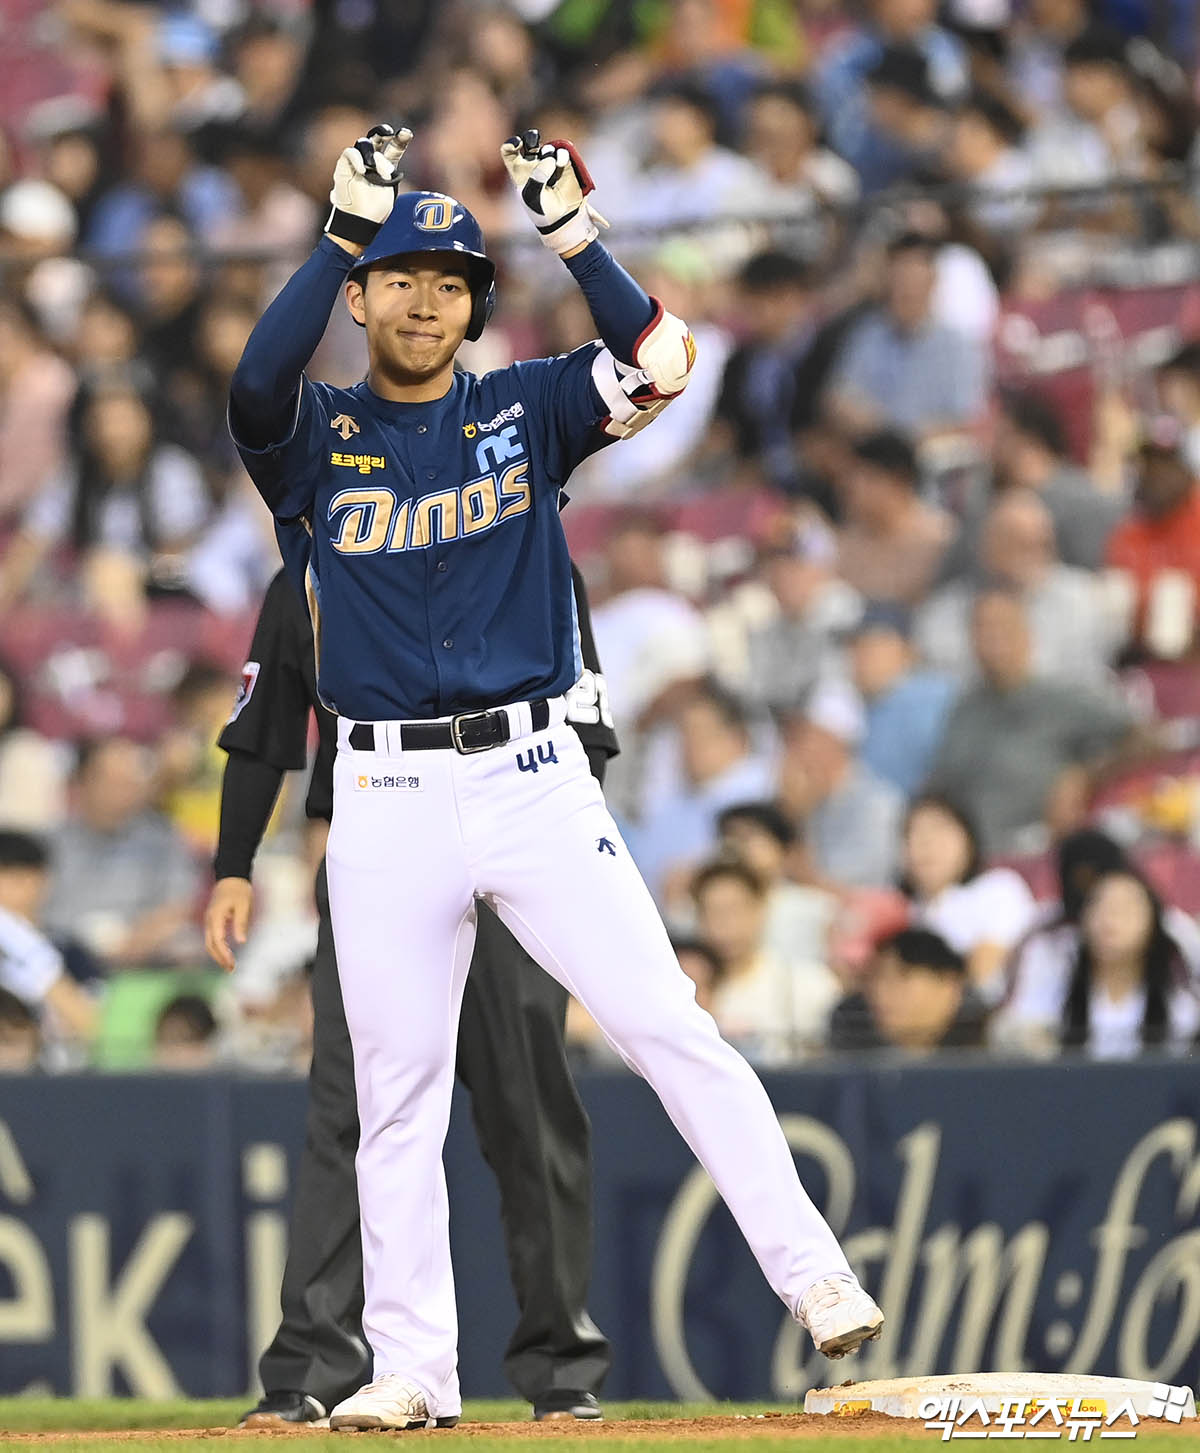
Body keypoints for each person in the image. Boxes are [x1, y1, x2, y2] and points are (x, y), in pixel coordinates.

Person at [228, 123, 882, 1431]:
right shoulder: (320, 435)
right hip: (383, 794)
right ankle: (414, 1368)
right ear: (359, 298)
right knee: (397, 1097)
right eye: (402, 276)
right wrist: (338, 235)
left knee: (664, 1022)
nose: (425, 296)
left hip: (532, 775)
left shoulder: (523, 404)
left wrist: (576, 239)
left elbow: (668, 358)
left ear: (476, 304)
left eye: (451, 278)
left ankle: (817, 1277)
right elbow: (252, 389)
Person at [206, 563, 617, 1425]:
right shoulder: (315, 568)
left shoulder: (528, 538)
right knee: (349, 1115)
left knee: (528, 1109)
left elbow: (585, 728)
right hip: (377, 860)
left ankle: (561, 1367)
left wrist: (559, 865)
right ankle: (311, 1371)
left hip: (514, 856)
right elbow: (264, 724)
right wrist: (234, 862)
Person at [926, 590, 1135, 854]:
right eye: (982, 627)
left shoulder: (1062, 697)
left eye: (1003, 626)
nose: (992, 636)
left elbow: (1141, 736)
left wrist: (1085, 775)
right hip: (973, 857)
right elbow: (940, 787)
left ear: (1028, 634)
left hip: (1039, 852)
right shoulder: (963, 710)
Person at [994, 831, 1200, 1054]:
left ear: (1152, 923)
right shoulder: (1054, 956)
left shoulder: (1180, 951)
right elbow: (1014, 1027)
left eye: (1125, 909)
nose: (1111, 920)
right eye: (1100, 907)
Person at [43, 736, 202, 968]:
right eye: (113, 782)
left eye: (132, 783)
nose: (124, 793)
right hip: (65, 957)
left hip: (145, 955)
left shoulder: (163, 839)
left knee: (189, 946)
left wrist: (135, 944)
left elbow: (178, 906)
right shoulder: (51, 843)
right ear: (82, 782)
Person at [825, 233, 986, 441]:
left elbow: (964, 421)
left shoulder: (959, 346)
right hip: (871, 452)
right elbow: (837, 400)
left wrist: (903, 437)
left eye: (913, 279)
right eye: (899, 279)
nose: (905, 288)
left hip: (930, 455)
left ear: (932, 281)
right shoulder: (868, 333)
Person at [691, 856, 839, 1063]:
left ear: (761, 909)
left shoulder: (808, 984)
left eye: (733, 910)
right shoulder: (688, 993)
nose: (723, 924)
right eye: (712, 912)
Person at [900, 796, 1038, 1004]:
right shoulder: (907, 912)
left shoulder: (998, 888)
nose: (926, 843)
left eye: (939, 830)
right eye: (913, 833)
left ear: (968, 839)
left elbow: (982, 974)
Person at [778, 677, 904, 889]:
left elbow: (842, 887)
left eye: (804, 736)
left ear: (833, 740)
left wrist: (794, 814)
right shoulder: (812, 800)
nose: (793, 748)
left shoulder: (878, 804)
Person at [1105, 416, 1200, 660]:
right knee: (1115, 588)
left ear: (1184, 470)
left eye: (1165, 465)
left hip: (1191, 647)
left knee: (1172, 592)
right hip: (1137, 647)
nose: (1155, 475)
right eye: (1148, 465)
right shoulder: (1131, 528)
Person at [0, 830, 98, 1046]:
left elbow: (91, 1025)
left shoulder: (70, 950)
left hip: (56, 1072)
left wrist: (29, 953)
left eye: (17, 878)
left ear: (42, 880)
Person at [848, 602, 956, 795]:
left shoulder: (932, 699)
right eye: (856, 646)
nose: (859, 657)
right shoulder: (861, 704)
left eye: (872, 646)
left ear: (908, 651)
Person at [829, 926, 988, 1053]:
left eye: (902, 977)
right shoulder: (849, 1060)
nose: (880, 991)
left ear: (948, 983)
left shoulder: (998, 1053)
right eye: (875, 979)